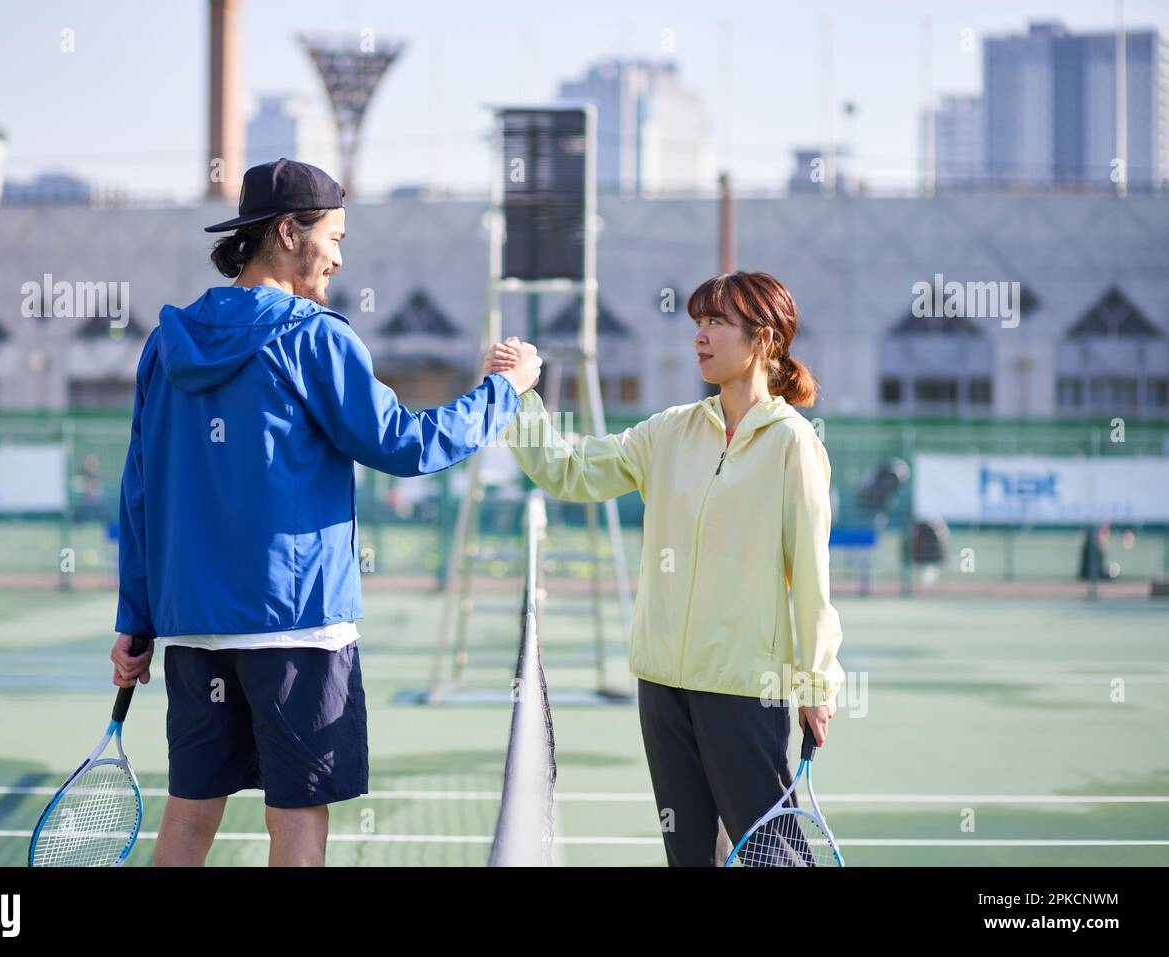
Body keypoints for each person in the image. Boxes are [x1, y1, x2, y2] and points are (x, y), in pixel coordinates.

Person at [109, 158, 542, 866]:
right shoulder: (315, 338)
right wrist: (505, 390)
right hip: (297, 626)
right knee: (298, 826)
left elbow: (139, 491)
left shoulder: (166, 344)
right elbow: (407, 444)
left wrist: (137, 617)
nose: (340, 256)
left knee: (188, 820)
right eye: (334, 236)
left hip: (193, 632)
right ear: (287, 231)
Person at [486, 270, 845, 866]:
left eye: (717, 323)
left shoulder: (793, 444)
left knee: (772, 855)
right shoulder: (670, 431)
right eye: (698, 322)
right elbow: (568, 471)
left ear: (762, 338)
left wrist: (815, 684)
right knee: (688, 856)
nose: (700, 336)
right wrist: (520, 396)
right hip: (661, 686)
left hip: (741, 688)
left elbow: (810, 576)